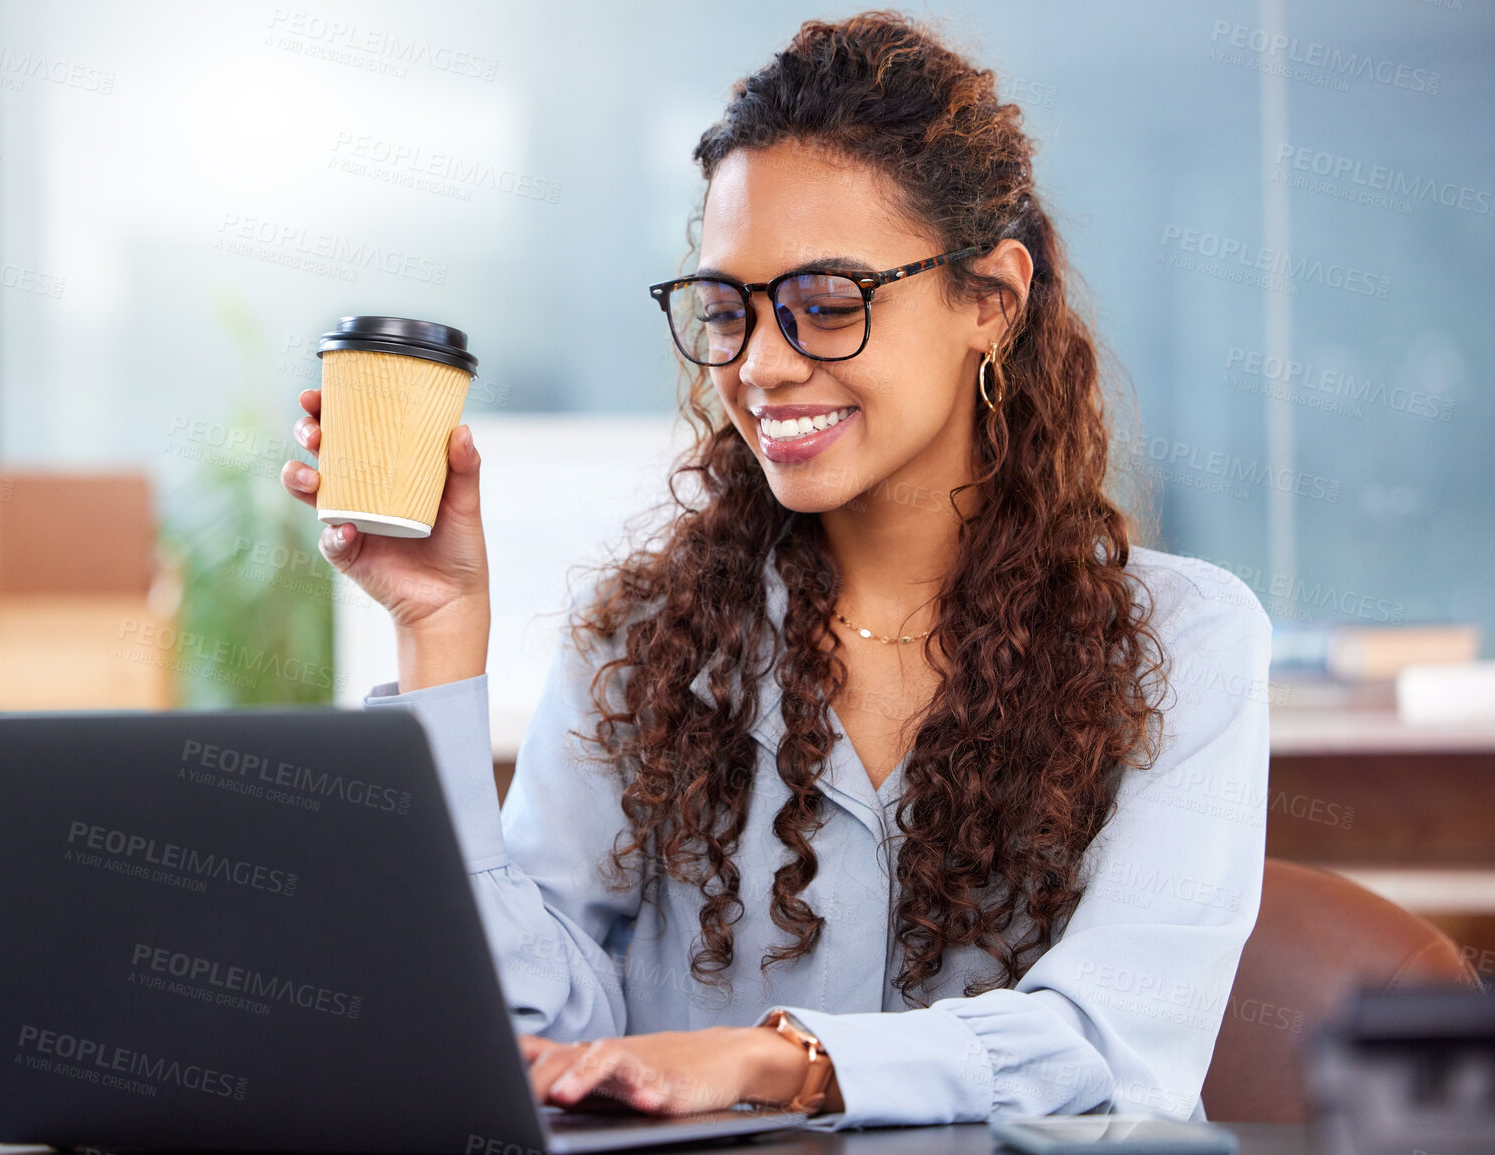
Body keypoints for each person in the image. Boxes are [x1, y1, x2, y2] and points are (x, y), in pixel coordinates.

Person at [280, 9, 1269, 1131]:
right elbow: (525, 1022)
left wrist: (774, 1063)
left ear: (991, 298)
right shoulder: (648, 636)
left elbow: (1114, 1046)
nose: (761, 366)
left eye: (826, 305)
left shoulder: (1186, 643)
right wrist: (440, 630)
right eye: (727, 311)